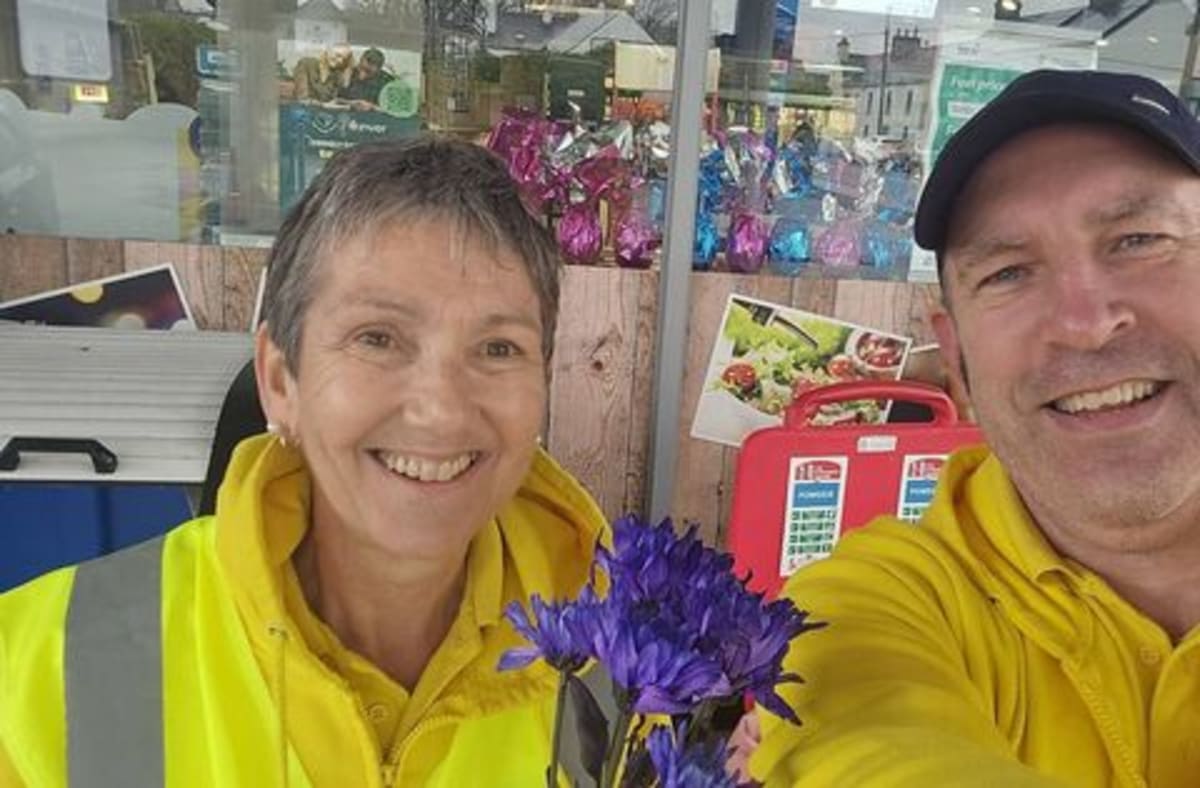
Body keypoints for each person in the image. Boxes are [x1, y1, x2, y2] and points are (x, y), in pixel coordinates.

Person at [0, 137, 610, 786]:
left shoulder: (631, 662)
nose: (442, 411)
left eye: (497, 348)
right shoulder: (32, 674)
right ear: (280, 380)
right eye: (377, 338)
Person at [749, 69, 1200, 786]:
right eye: (1009, 274)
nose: (1083, 325)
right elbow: (865, 741)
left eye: (1138, 239)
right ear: (956, 358)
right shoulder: (881, 599)